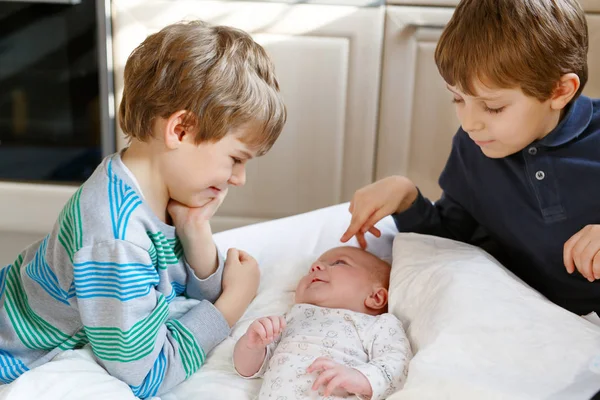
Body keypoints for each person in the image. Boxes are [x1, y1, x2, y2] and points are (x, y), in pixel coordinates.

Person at [0, 20, 286, 398]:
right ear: (180, 130)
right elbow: (145, 375)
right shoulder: (115, 238)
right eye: (236, 158)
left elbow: (184, 293)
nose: (239, 178)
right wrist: (232, 305)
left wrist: (195, 231)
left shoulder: (156, 189)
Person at [341, 0, 599, 316]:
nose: (469, 123)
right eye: (458, 98)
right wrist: (406, 199)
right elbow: (452, 240)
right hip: (530, 324)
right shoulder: (474, 146)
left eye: (493, 107)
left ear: (560, 91)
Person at [233, 246, 411, 399]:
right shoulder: (290, 318)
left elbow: (398, 365)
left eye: (338, 263)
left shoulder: (377, 324)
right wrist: (251, 347)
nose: (315, 267)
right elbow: (248, 370)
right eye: (311, 269)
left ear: (375, 297)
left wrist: (359, 378)